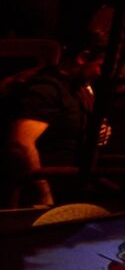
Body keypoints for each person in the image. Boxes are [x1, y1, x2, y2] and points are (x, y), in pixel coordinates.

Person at [3, 38, 105, 207]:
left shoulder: (78, 90)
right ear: (83, 58)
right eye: (100, 66)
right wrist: (42, 193)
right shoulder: (47, 88)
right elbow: (20, 144)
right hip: (38, 198)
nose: (101, 73)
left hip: (69, 191)